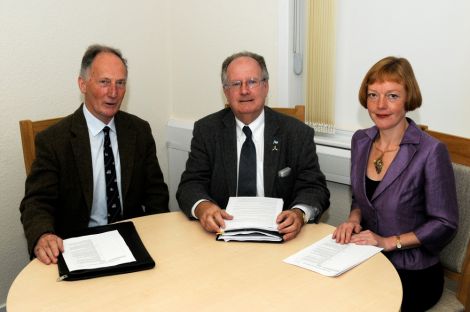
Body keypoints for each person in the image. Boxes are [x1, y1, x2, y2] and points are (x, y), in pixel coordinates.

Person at [20, 44, 169, 265]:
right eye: (104, 82)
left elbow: (156, 193)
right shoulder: (54, 141)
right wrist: (43, 235)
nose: (113, 92)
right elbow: (36, 202)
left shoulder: (139, 131)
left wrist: (159, 238)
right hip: (79, 247)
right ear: (83, 84)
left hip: (132, 242)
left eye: (120, 83)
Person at [332, 56, 458, 311]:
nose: (380, 105)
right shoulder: (361, 140)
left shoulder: (431, 151)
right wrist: (354, 219)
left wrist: (389, 242)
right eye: (373, 95)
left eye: (392, 96)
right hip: (368, 259)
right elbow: (361, 197)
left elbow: (445, 223)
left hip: (413, 271)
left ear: (408, 99)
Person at [176, 51, 330, 241]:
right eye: (236, 84)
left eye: (252, 82)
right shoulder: (207, 130)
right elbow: (190, 184)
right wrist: (203, 207)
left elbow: (314, 187)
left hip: (280, 236)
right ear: (225, 91)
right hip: (222, 234)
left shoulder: (296, 133)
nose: (244, 90)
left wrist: (299, 213)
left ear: (265, 86)